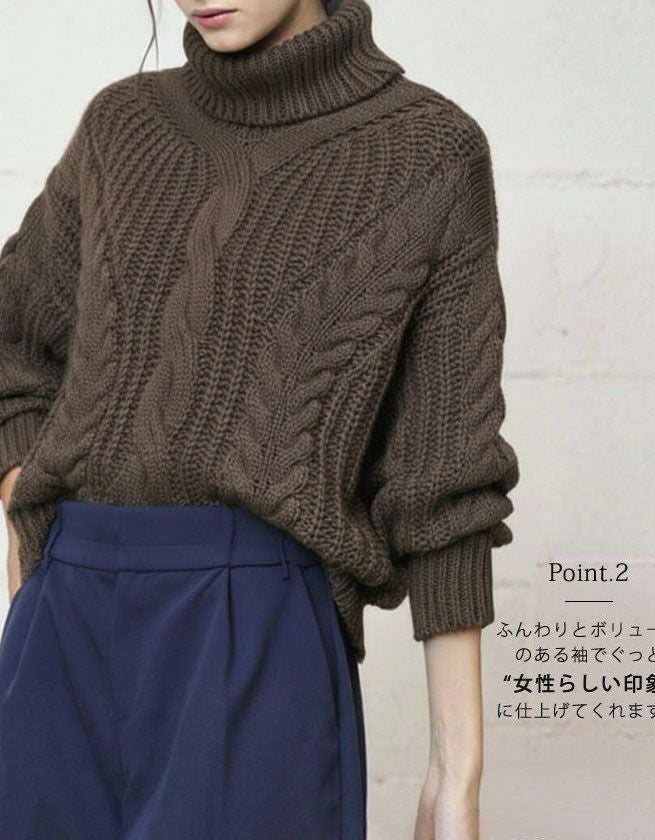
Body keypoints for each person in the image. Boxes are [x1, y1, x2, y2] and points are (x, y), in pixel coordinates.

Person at [0, 0, 519, 837]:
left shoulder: (427, 150)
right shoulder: (121, 124)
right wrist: (30, 515)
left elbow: (444, 477)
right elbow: (13, 344)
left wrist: (454, 775)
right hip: (63, 622)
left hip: (253, 623)